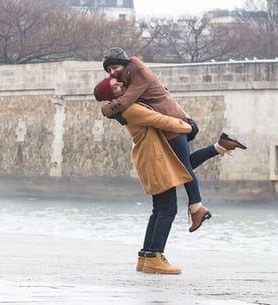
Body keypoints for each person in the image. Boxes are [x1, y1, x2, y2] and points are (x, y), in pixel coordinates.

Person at [100, 47, 247, 232]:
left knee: (183, 167)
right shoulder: (130, 76)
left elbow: (125, 102)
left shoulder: (138, 72)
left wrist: (106, 110)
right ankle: (220, 146)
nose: (113, 72)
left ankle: (197, 208)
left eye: (114, 67)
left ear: (125, 62)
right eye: (109, 70)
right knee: (182, 165)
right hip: (173, 122)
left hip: (172, 125)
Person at [94, 76, 225, 275]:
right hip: (154, 159)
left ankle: (146, 256)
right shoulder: (131, 109)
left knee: (159, 209)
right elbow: (160, 121)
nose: (120, 85)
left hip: (152, 157)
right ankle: (155, 256)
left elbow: (185, 165)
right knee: (167, 209)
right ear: (110, 95)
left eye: (118, 82)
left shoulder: (127, 107)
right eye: (115, 86)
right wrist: (189, 127)